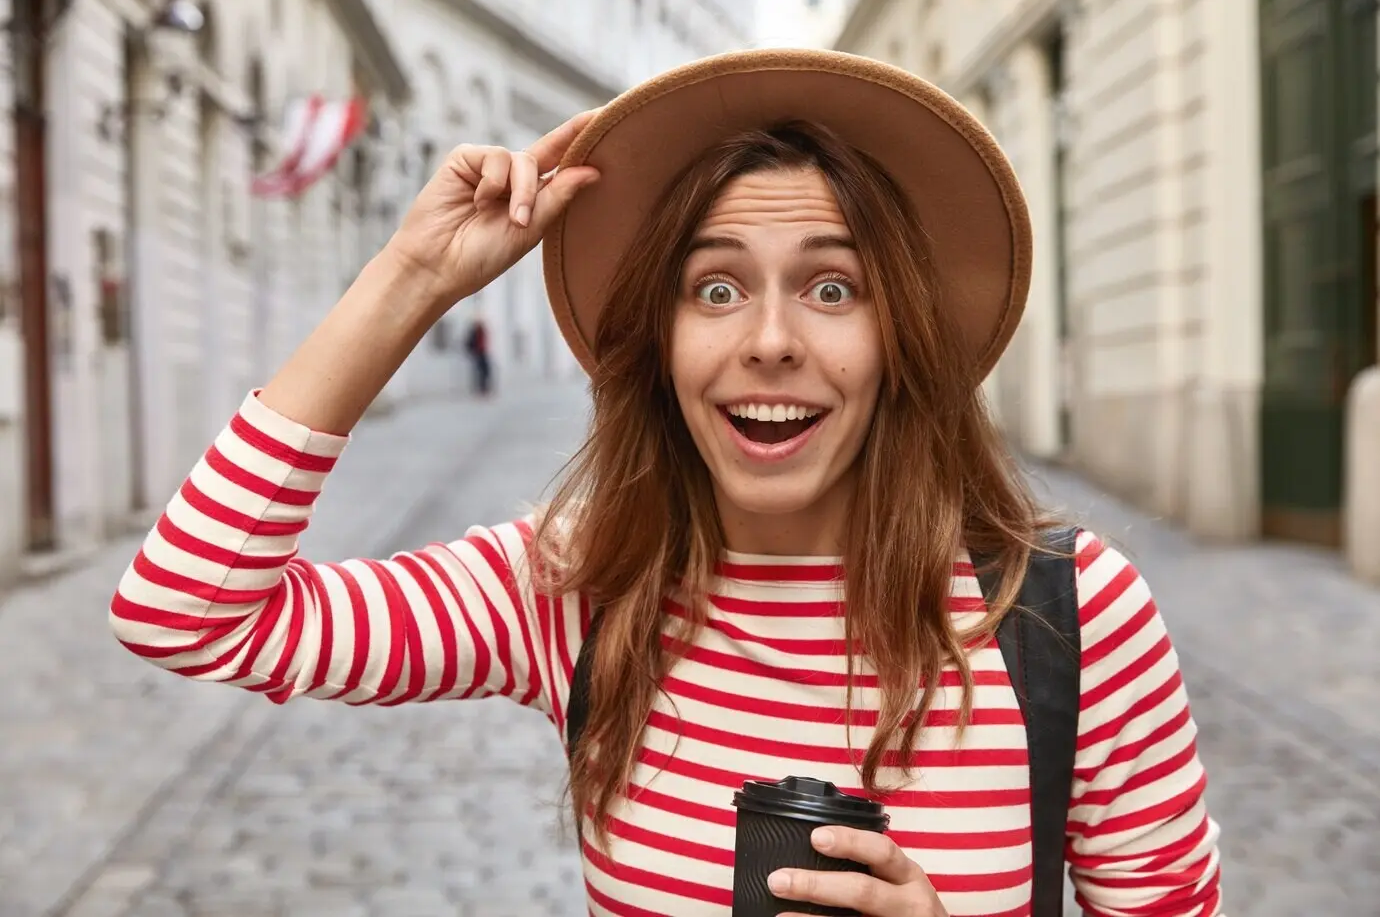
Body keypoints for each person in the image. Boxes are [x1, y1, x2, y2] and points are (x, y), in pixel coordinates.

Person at [109, 49, 1223, 916]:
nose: (772, 340)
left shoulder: (1067, 615)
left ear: (904, 338)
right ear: (661, 342)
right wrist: (407, 281)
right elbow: (186, 611)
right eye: (717, 289)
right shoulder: (576, 582)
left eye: (834, 288)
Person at [463, 315, 492, 395]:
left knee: (485, 371)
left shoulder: (481, 331)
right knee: (481, 372)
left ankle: (484, 388)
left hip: (482, 352)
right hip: (478, 353)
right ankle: (481, 389)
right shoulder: (475, 332)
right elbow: (470, 343)